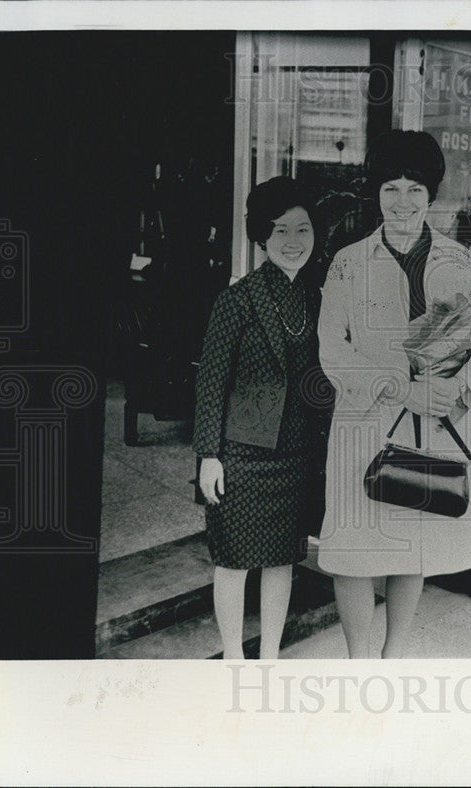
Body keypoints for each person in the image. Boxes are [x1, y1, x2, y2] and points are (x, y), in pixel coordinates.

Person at [316, 130, 471, 659]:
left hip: (441, 422)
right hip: (366, 423)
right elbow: (333, 352)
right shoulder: (347, 263)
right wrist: (402, 389)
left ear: (432, 196)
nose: (402, 202)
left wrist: (462, 388)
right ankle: (360, 660)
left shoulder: (463, 264)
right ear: (374, 193)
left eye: (415, 190)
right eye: (391, 189)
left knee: (413, 543)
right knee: (353, 550)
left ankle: (394, 656)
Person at [193, 176, 330, 659]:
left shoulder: (318, 298)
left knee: (282, 562)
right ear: (260, 238)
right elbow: (210, 380)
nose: (293, 243)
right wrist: (209, 456)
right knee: (233, 561)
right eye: (280, 232)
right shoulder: (238, 298)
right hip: (241, 455)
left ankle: (269, 655)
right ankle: (234, 656)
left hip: (296, 454)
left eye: (302, 230)